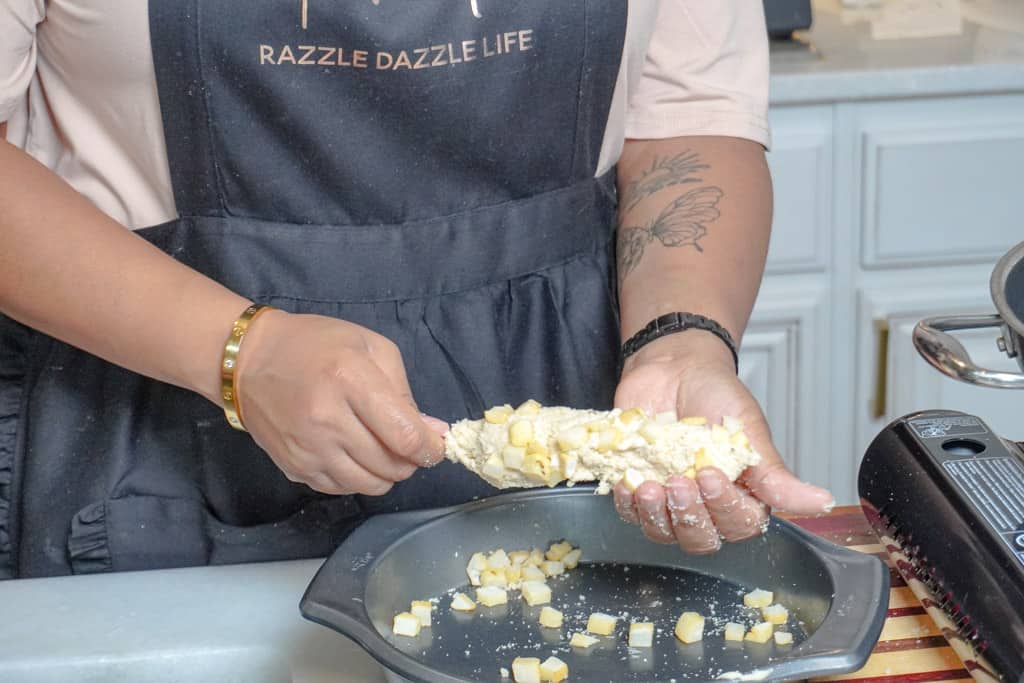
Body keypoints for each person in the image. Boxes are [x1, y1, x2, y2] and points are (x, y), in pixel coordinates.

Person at [0, 1, 834, 579]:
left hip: (568, 398)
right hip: (155, 421)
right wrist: (237, 353)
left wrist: (680, 339)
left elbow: (688, 113)